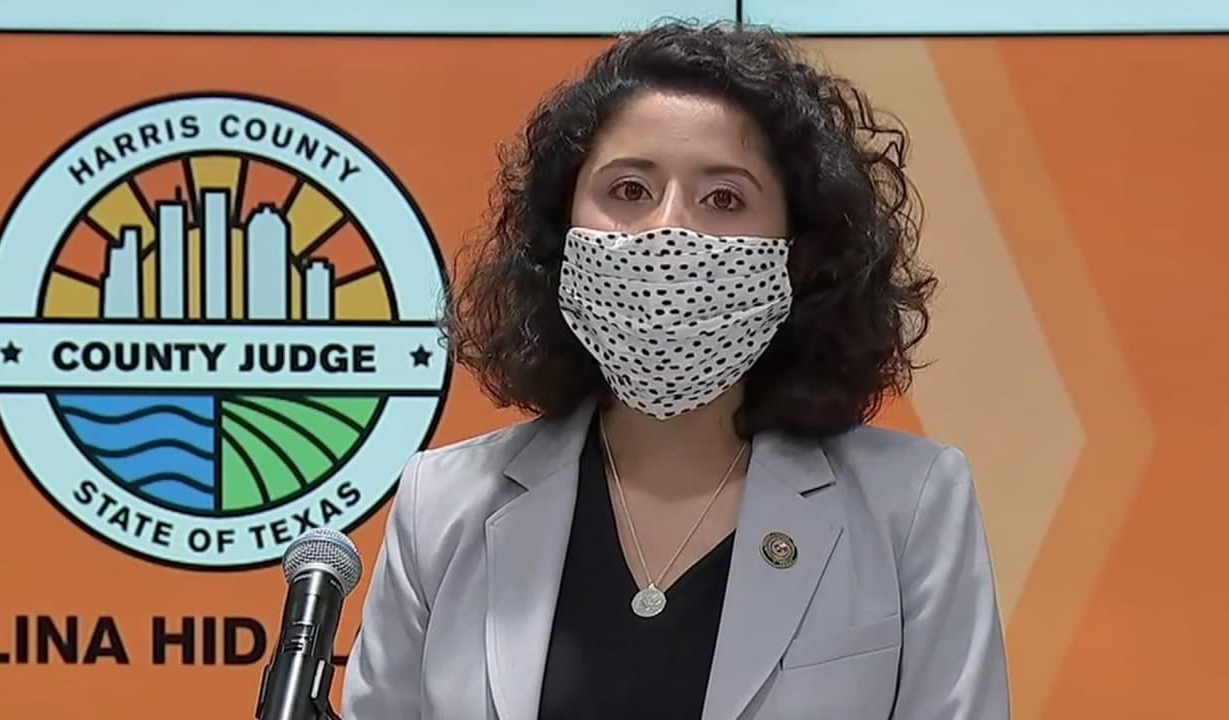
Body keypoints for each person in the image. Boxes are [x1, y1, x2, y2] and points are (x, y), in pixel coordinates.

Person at [343, 20, 1009, 720]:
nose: (668, 231)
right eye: (629, 190)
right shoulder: (443, 507)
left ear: (798, 254)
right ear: (563, 235)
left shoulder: (912, 507)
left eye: (723, 199)